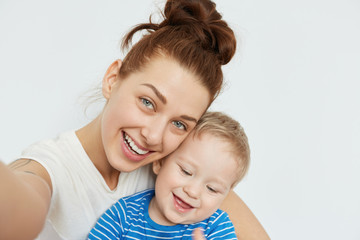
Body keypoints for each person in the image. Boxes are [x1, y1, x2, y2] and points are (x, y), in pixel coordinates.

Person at [0, 0, 269, 239]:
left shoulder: (183, 172)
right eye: (147, 102)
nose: (153, 136)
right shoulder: (49, 170)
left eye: (179, 124)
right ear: (113, 79)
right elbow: (21, 207)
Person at [88, 111, 250, 240]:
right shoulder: (124, 216)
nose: (192, 191)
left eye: (212, 189)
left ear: (226, 194)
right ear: (160, 162)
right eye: (186, 171)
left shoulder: (216, 227)